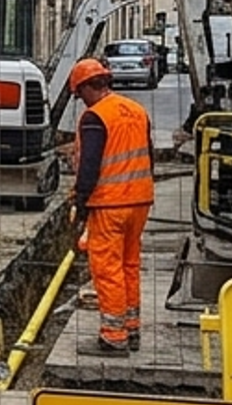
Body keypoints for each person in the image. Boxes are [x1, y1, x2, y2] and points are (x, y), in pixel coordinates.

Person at [68, 58, 155, 357]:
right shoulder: (136, 110)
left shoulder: (95, 118)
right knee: (129, 264)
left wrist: (80, 202)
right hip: (140, 201)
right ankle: (131, 327)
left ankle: (113, 336)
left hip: (110, 204)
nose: (81, 103)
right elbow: (149, 156)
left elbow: (89, 167)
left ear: (84, 89)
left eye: (79, 96)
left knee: (107, 269)